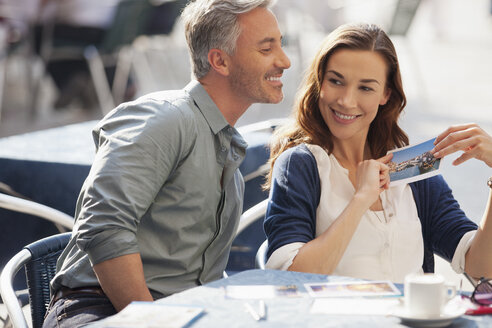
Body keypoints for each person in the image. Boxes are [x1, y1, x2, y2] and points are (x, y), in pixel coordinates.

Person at [42, 0, 290, 326]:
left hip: (181, 312)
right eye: (266, 48)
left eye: (280, 45)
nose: (284, 61)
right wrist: (154, 320)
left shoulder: (225, 147)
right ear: (219, 60)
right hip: (101, 308)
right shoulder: (165, 118)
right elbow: (104, 226)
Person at [263, 23, 492, 283]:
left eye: (365, 88)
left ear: (386, 94)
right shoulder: (301, 165)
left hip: (412, 322)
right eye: (336, 81)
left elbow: (481, 267)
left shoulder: (412, 168)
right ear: (320, 83)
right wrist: (361, 199)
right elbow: (287, 279)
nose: (347, 101)